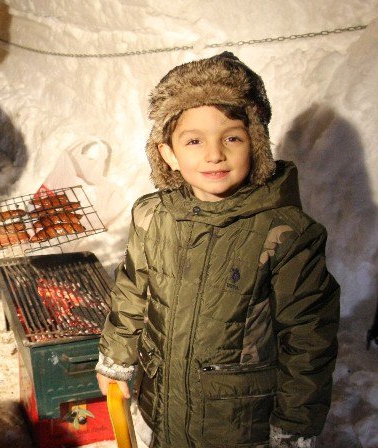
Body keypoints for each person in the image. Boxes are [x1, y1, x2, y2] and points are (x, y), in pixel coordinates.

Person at [95, 52, 340, 448]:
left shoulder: (283, 233)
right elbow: (132, 291)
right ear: (169, 154)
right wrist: (117, 357)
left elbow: (308, 338)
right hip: (164, 405)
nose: (214, 154)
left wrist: (295, 423)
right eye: (194, 140)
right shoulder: (152, 216)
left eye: (231, 137)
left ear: (255, 144)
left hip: (240, 424)